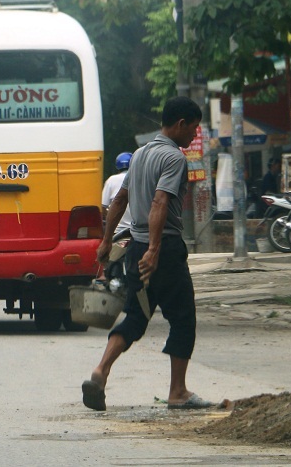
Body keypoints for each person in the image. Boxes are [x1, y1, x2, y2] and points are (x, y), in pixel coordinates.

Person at [82, 96, 224, 411]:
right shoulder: (173, 158)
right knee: (184, 318)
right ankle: (178, 391)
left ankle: (100, 371)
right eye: (193, 128)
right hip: (165, 251)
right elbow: (160, 202)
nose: (193, 135)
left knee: (136, 315)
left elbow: (120, 200)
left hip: (135, 249)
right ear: (180, 124)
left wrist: (106, 242)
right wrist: (156, 250)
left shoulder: (140, 155)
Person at [101, 151, 133, 239]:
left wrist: (110, 216)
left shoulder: (111, 180)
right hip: (137, 231)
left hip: (116, 231)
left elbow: (103, 207)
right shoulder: (139, 178)